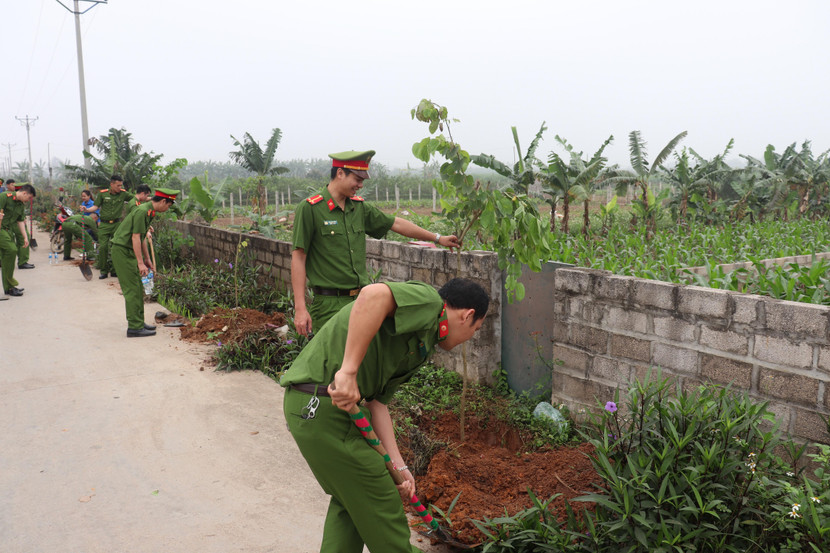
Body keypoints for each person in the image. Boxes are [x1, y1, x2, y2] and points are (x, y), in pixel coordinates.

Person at [281, 277, 489, 553]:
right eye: (476, 330)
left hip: (313, 409)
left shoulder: (423, 343)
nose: (470, 338)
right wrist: (349, 371)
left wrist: (400, 468)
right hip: (323, 406)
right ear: (467, 315)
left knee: (352, 504)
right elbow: (372, 296)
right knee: (383, 504)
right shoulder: (430, 304)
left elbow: (377, 404)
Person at [291, 150, 461, 335]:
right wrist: (300, 308)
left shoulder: (358, 207)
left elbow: (395, 223)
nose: (360, 185)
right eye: (357, 179)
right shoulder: (310, 209)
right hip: (329, 305)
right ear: (340, 173)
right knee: (333, 361)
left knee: (364, 360)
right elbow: (299, 257)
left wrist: (437, 238)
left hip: (362, 301)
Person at [110, 188, 177, 337]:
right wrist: (140, 263)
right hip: (122, 251)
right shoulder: (142, 211)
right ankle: (134, 327)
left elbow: (142, 239)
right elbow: (135, 238)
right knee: (132, 289)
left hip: (129, 251)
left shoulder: (149, 211)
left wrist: (146, 260)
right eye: (169, 205)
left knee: (138, 286)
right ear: (163, 201)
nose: (168, 209)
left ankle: (139, 322)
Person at [0, 184, 36, 296]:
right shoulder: (5, 196)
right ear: (24, 193)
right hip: (1, 229)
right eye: (29, 198)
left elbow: (20, 221)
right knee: (11, 250)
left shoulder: (21, 205)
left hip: (8, 230)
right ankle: (10, 285)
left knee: (8, 257)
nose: (29, 200)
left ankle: (9, 288)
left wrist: (25, 237)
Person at [94, 175, 132, 279]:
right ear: (112, 184)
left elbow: (137, 198)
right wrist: (86, 209)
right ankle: (103, 270)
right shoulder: (102, 194)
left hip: (116, 225)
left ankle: (115, 270)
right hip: (104, 225)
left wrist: (154, 199)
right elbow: (95, 206)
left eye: (121, 185)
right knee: (103, 247)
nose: (120, 187)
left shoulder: (123, 194)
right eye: (118, 185)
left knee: (116, 247)